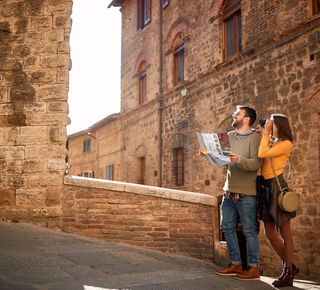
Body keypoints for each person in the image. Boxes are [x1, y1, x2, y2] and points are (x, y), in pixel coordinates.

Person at [200, 105, 262, 280]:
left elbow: (256, 164)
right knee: (226, 226)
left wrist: (240, 160)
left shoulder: (255, 139)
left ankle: (254, 268)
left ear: (247, 119)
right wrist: (208, 155)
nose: (233, 115)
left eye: (237, 114)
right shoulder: (229, 136)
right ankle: (236, 263)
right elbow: (221, 159)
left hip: (247, 193)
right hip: (229, 191)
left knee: (249, 231)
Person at [258, 114, 298, 287]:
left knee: (285, 233)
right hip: (265, 188)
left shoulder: (285, 144)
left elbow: (262, 153)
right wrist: (263, 134)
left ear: (279, 126)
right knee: (269, 233)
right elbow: (261, 154)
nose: (268, 125)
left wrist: (265, 134)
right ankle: (291, 266)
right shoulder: (271, 142)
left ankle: (288, 272)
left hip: (277, 188)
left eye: (271, 123)